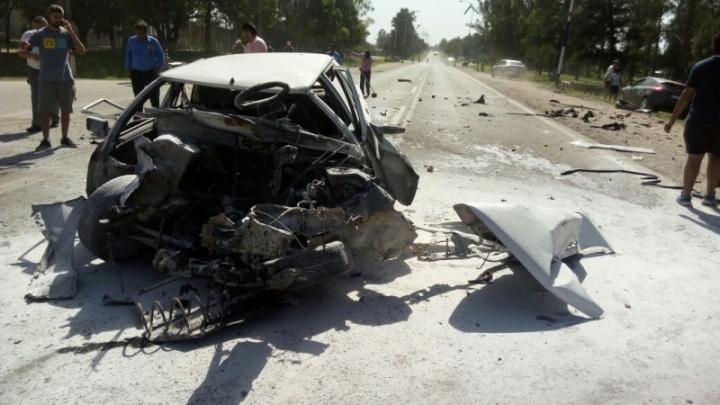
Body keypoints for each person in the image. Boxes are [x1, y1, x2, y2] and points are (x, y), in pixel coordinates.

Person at [665, 33, 720, 207]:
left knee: (694, 158)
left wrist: (672, 120)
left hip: (698, 120)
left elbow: (687, 94)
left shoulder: (701, 66)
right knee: (716, 159)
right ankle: (709, 196)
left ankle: (686, 196)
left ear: (713, 46)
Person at [20, 4, 86, 151]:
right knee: (45, 111)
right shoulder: (41, 34)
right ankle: (45, 140)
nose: (58, 19)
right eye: (55, 16)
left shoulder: (66, 34)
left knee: (66, 110)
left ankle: (65, 138)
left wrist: (71, 31)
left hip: (65, 79)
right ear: (49, 17)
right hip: (46, 79)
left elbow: (81, 51)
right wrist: (25, 46)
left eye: (60, 17)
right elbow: (26, 47)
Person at [18, 16, 58, 133]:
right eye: (37, 27)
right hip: (34, 70)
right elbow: (20, 53)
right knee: (36, 96)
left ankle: (55, 118)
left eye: (41, 27)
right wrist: (31, 55)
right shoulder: (27, 35)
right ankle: (37, 124)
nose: (39, 29)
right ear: (33, 26)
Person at [125, 21, 165, 108]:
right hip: (136, 73)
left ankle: (156, 116)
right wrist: (128, 68)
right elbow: (128, 55)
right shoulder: (131, 41)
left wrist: (158, 66)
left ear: (146, 32)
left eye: (142, 34)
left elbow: (161, 55)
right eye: (138, 34)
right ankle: (138, 116)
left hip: (151, 73)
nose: (140, 36)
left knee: (154, 98)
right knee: (138, 99)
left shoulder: (153, 41)